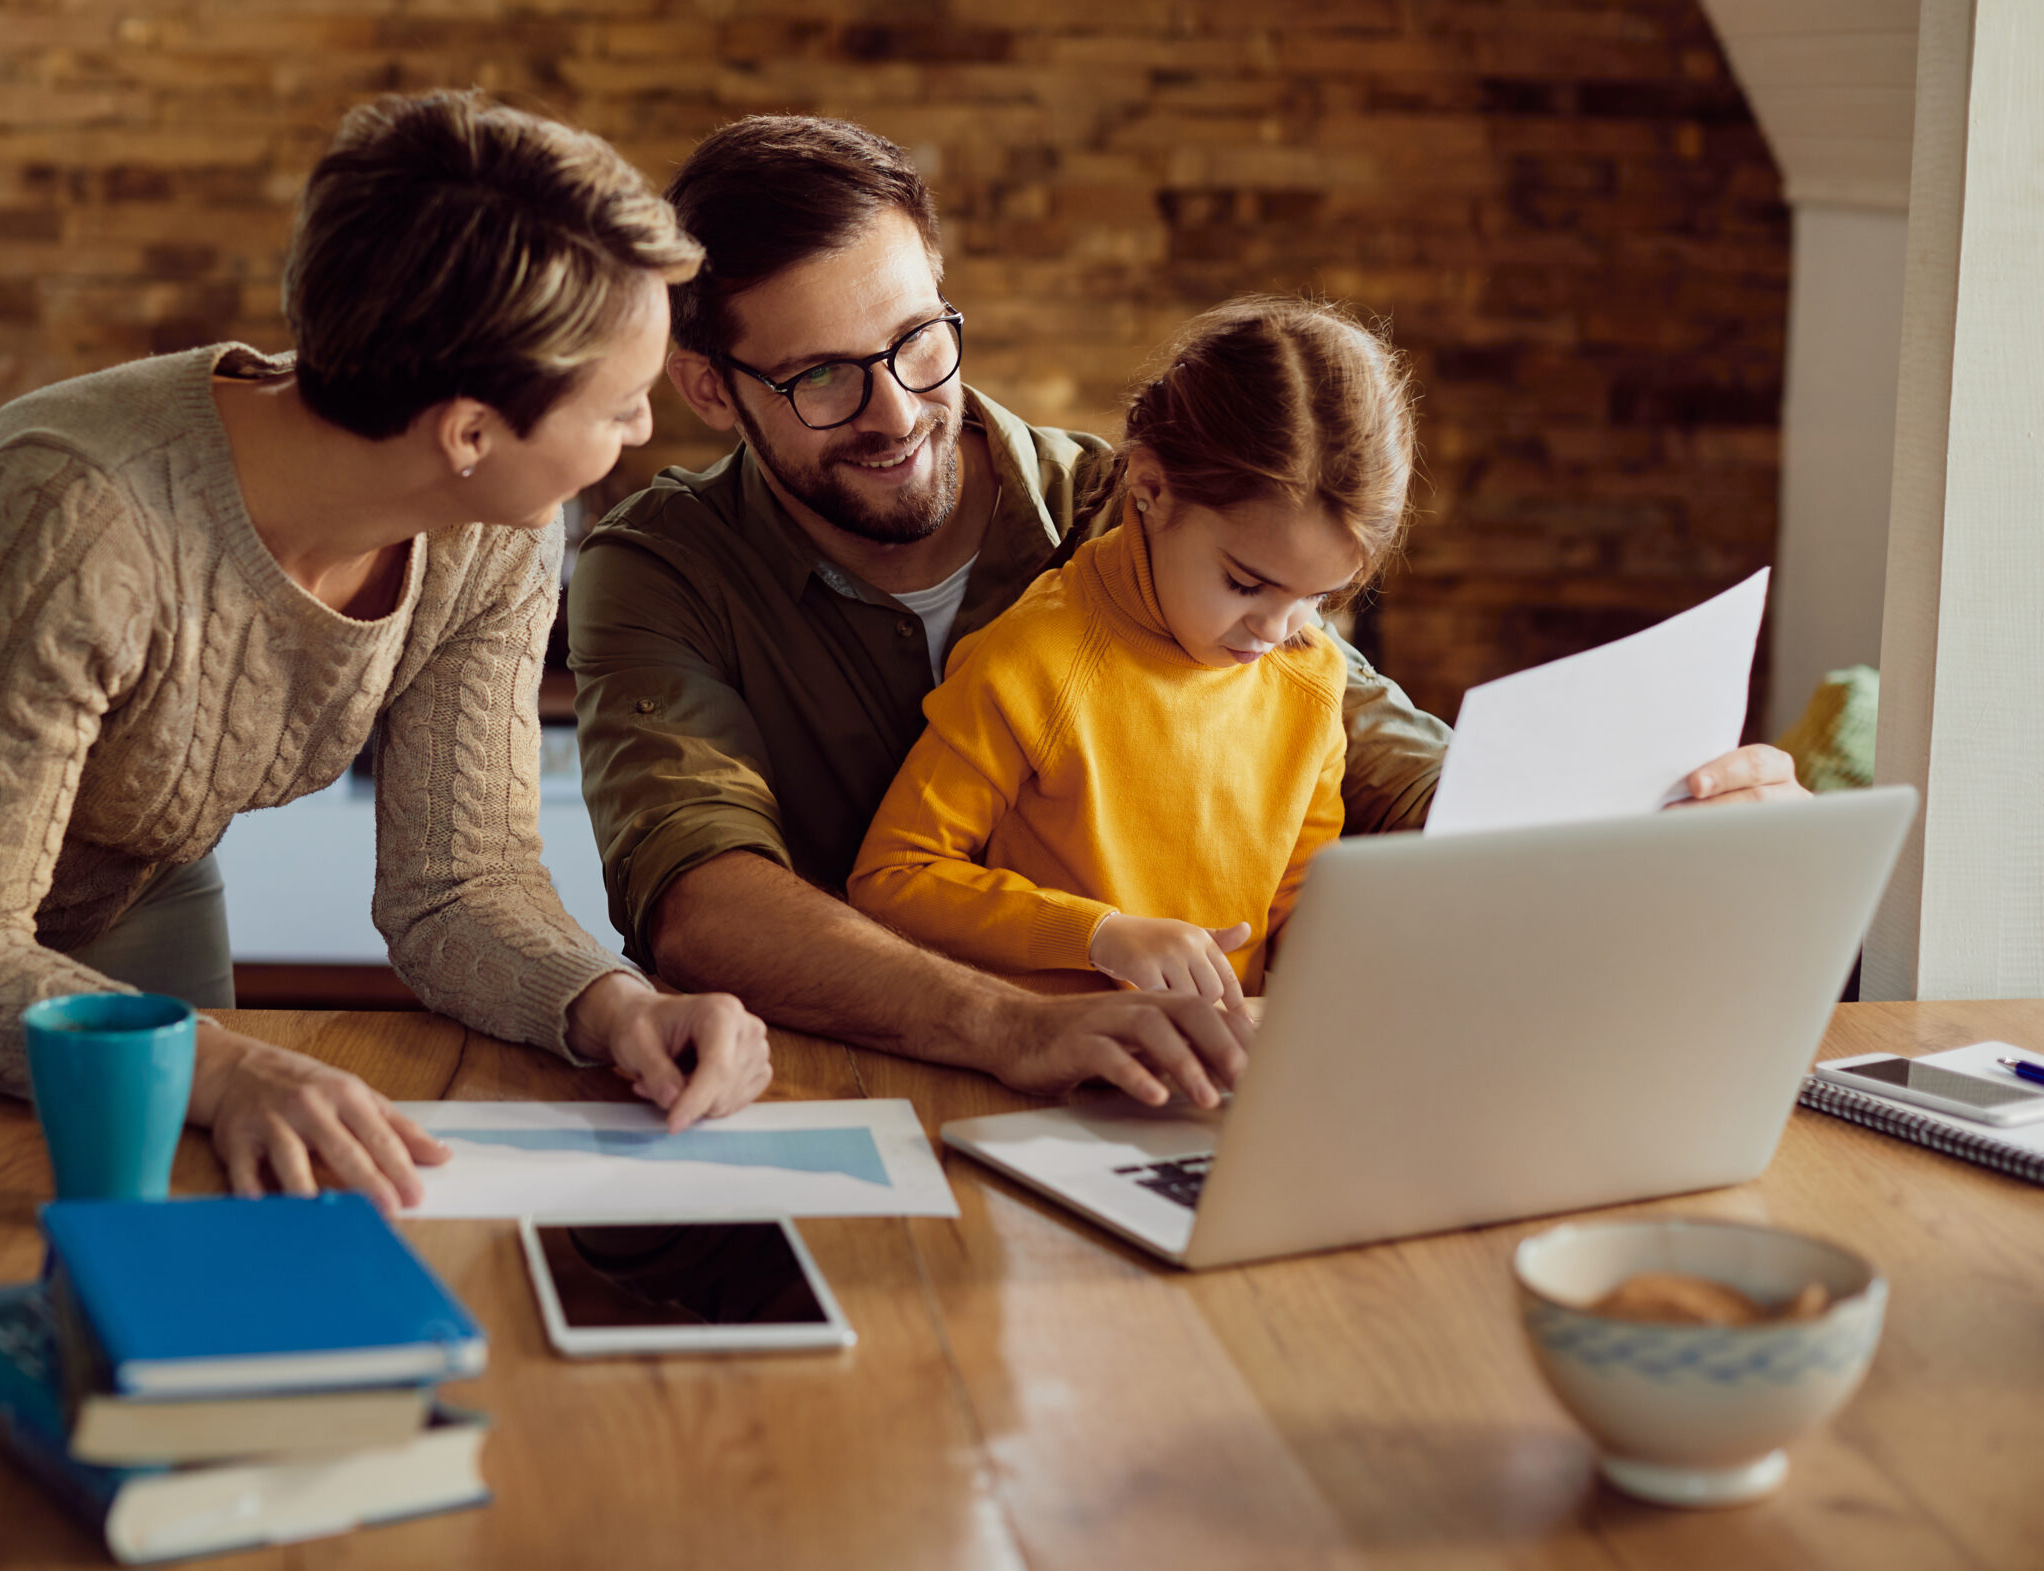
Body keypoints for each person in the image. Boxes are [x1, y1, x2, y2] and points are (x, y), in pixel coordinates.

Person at [0, 92, 773, 1209]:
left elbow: (458, 885)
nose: (644, 432)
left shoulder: (495, 527)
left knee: (209, 1212)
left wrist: (614, 1005)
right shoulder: (83, 511)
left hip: (127, 879)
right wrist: (229, 1064)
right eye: (625, 403)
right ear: (471, 432)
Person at [565, 113, 1803, 1105]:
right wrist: (1017, 1024)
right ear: (709, 391)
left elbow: (1384, 766)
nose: (896, 411)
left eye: (919, 342)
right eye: (823, 378)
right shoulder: (656, 569)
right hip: (809, 1106)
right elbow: (703, 903)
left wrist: (1642, 819)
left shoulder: (1137, 512)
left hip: (1164, 1090)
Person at [848, 298, 1414, 1108]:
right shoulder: (1033, 661)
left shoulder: (1309, 677)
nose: (1281, 628)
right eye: (1246, 583)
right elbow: (891, 877)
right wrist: (1100, 934)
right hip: (1040, 1093)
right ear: (1149, 487)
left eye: (1321, 596)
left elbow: (1297, 906)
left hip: (1213, 1093)